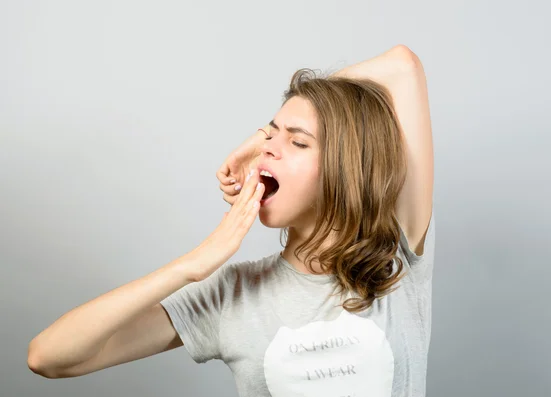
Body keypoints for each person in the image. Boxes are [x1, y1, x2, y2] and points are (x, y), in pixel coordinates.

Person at [27, 44, 435, 397]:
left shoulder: (398, 253)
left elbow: (402, 67)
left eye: (297, 142)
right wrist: (190, 267)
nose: (270, 149)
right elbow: (49, 357)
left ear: (345, 166)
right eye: (270, 137)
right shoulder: (232, 295)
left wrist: (257, 139)